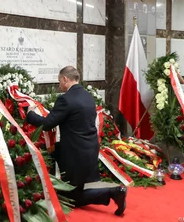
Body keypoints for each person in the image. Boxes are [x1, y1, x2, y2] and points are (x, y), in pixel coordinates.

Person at [26, 66, 127, 216]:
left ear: (65, 79)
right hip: (90, 149)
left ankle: (114, 191)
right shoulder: (88, 96)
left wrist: (30, 114)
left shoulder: (65, 99)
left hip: (75, 153)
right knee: (80, 186)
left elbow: (47, 124)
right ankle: (113, 191)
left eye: (59, 81)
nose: (59, 85)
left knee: (70, 197)